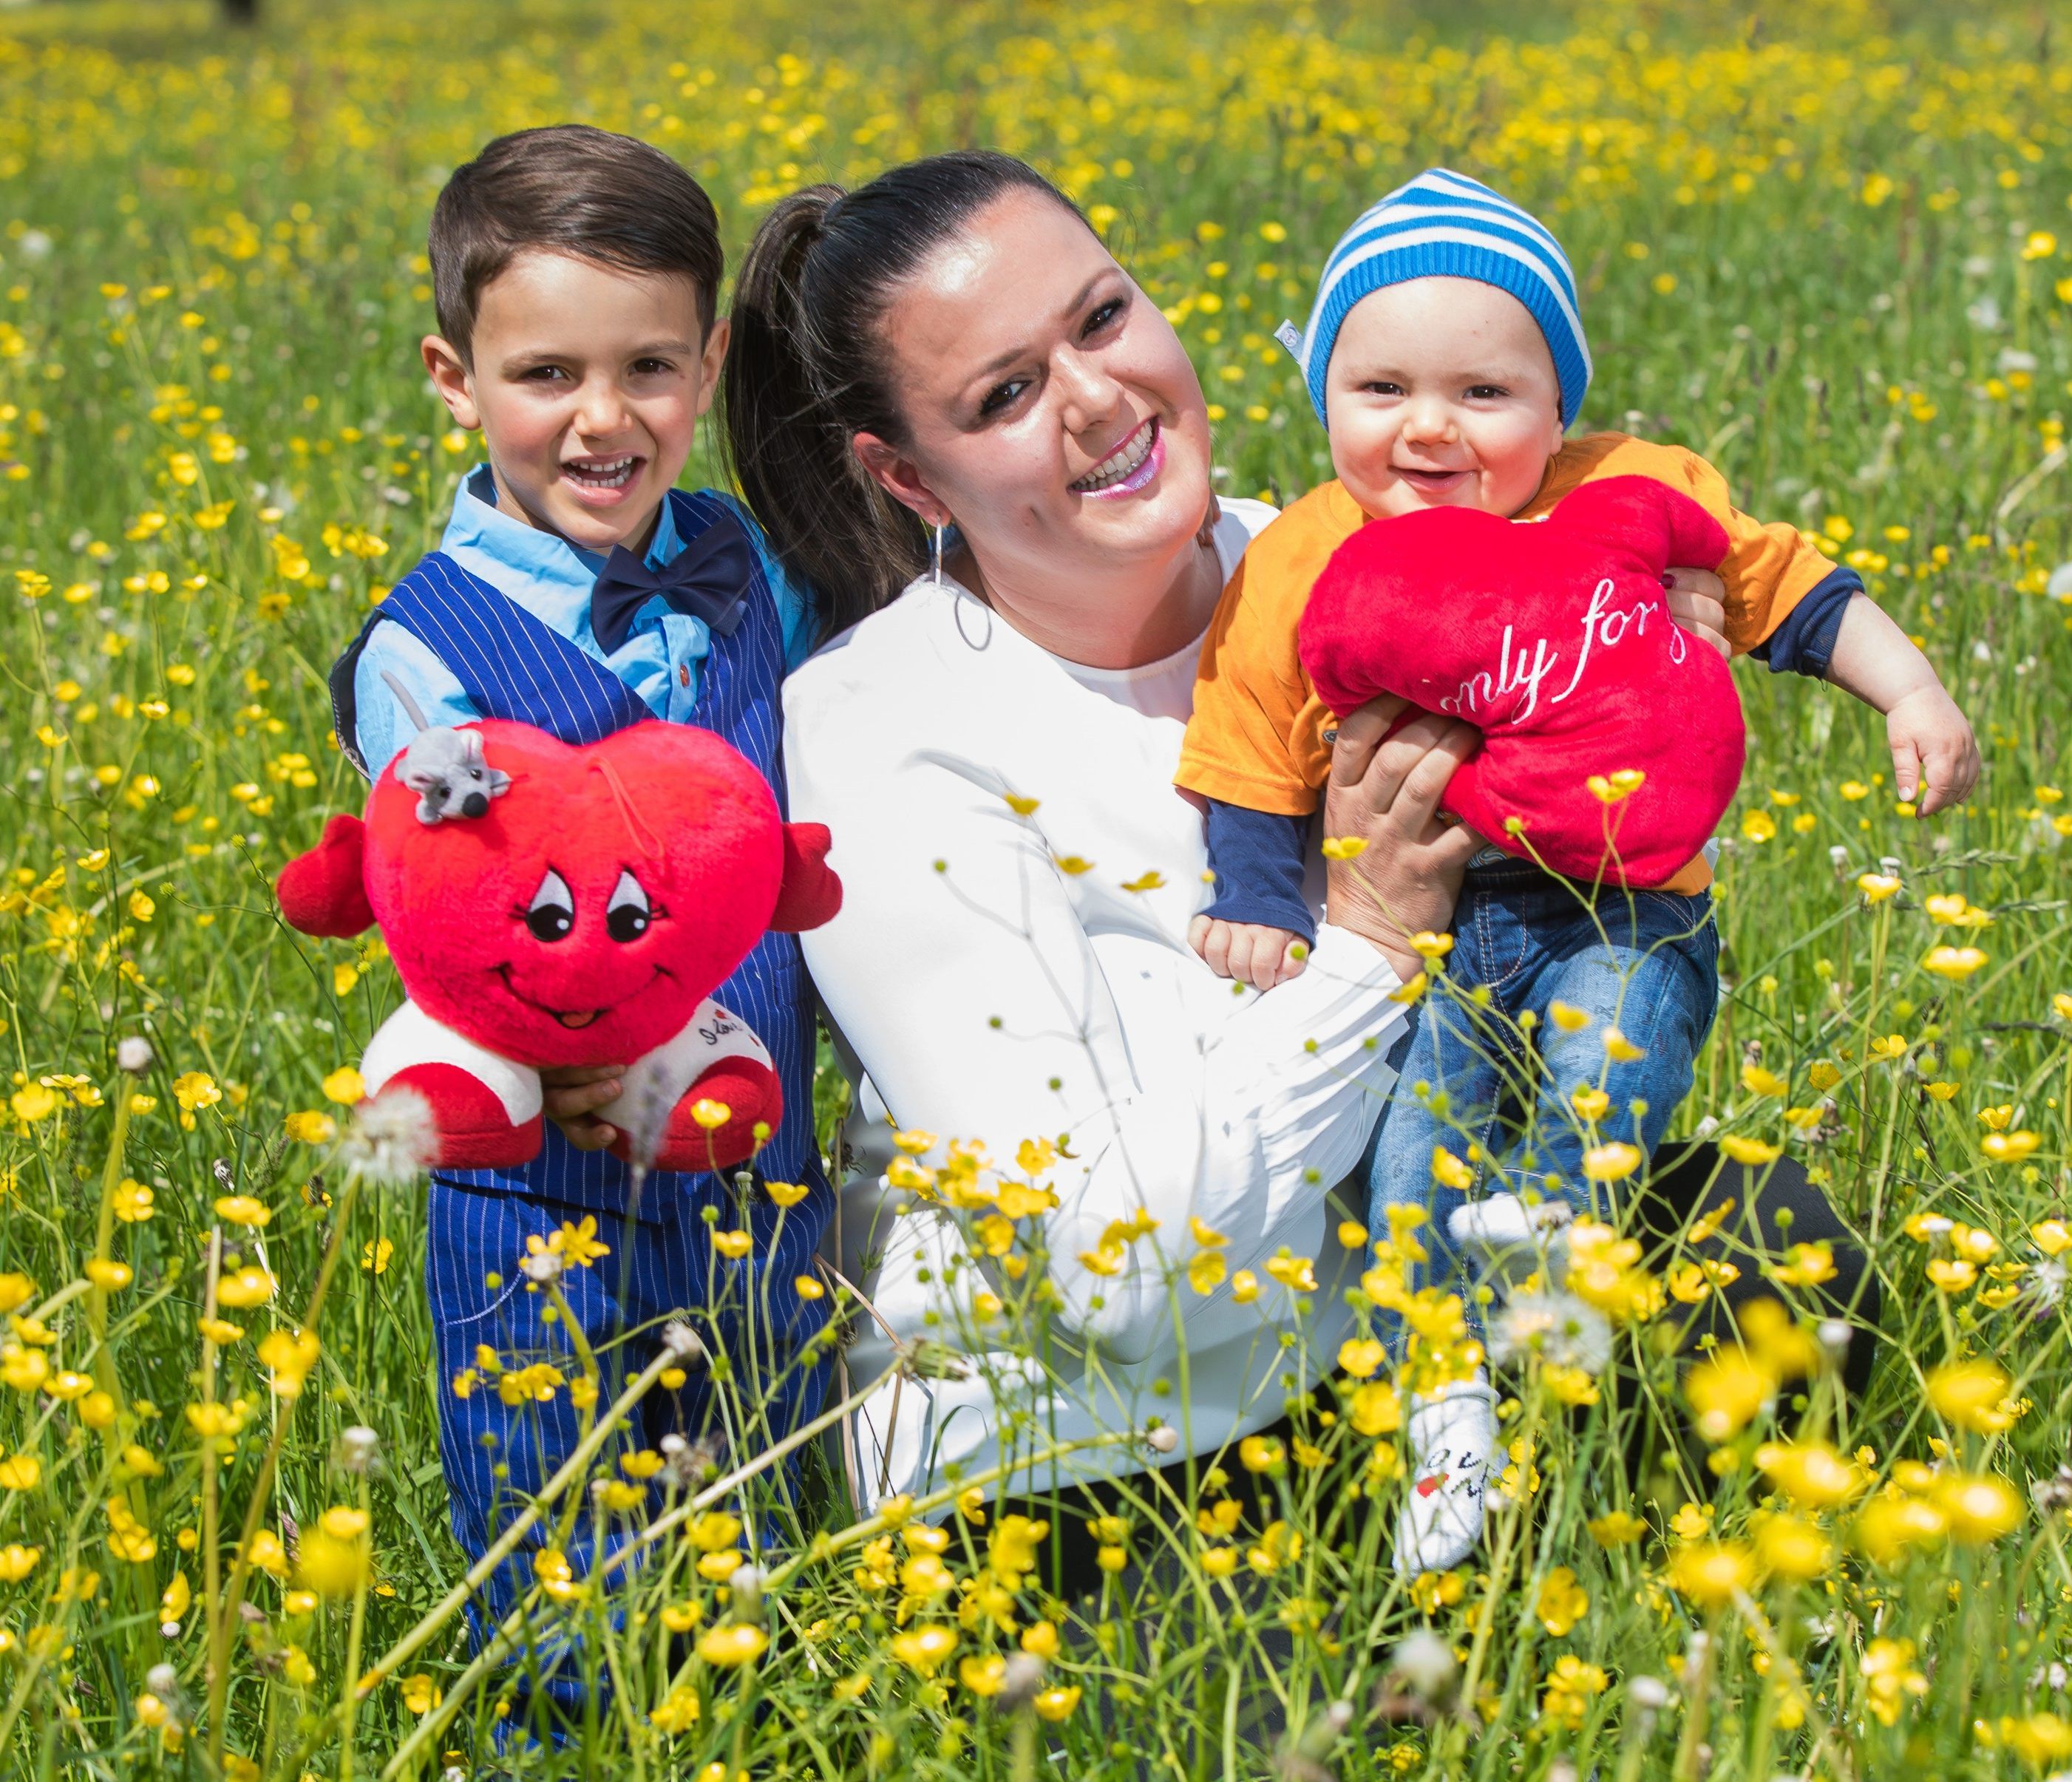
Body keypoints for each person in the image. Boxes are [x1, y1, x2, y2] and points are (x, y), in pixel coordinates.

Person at [719, 151, 1738, 1559]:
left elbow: (1586, 868)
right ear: (908, 477)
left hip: (1386, 1345)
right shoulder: (880, 734)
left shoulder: (1318, 560)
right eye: (1005, 395)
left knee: (1780, 1259)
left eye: (1102, 317)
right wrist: (1369, 942)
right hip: (1093, 1470)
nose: (1096, 399)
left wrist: (1649, 650)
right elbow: (1116, 1286)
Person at [1172, 169, 1980, 1571]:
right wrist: (1249, 894)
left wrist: (1910, 692)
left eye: (1484, 393)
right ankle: (1447, 1415)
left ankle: (1560, 1244)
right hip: (1431, 935)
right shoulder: (1304, 557)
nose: (1429, 426)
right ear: (1323, 396)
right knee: (1415, 1160)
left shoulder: (1624, 499)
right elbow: (1247, 732)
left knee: (1613, 1059)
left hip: (1622, 898)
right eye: (1380, 389)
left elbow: (1786, 587)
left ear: (1559, 408)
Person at [325, 124, 835, 1717]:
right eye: (546, 373)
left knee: (766, 1524)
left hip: (758, 1150)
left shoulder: (751, 566)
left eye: (649, 369)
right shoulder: (424, 655)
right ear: (455, 379)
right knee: (561, 1552)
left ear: (710, 363)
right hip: (538, 1188)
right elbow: (447, 915)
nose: (603, 420)